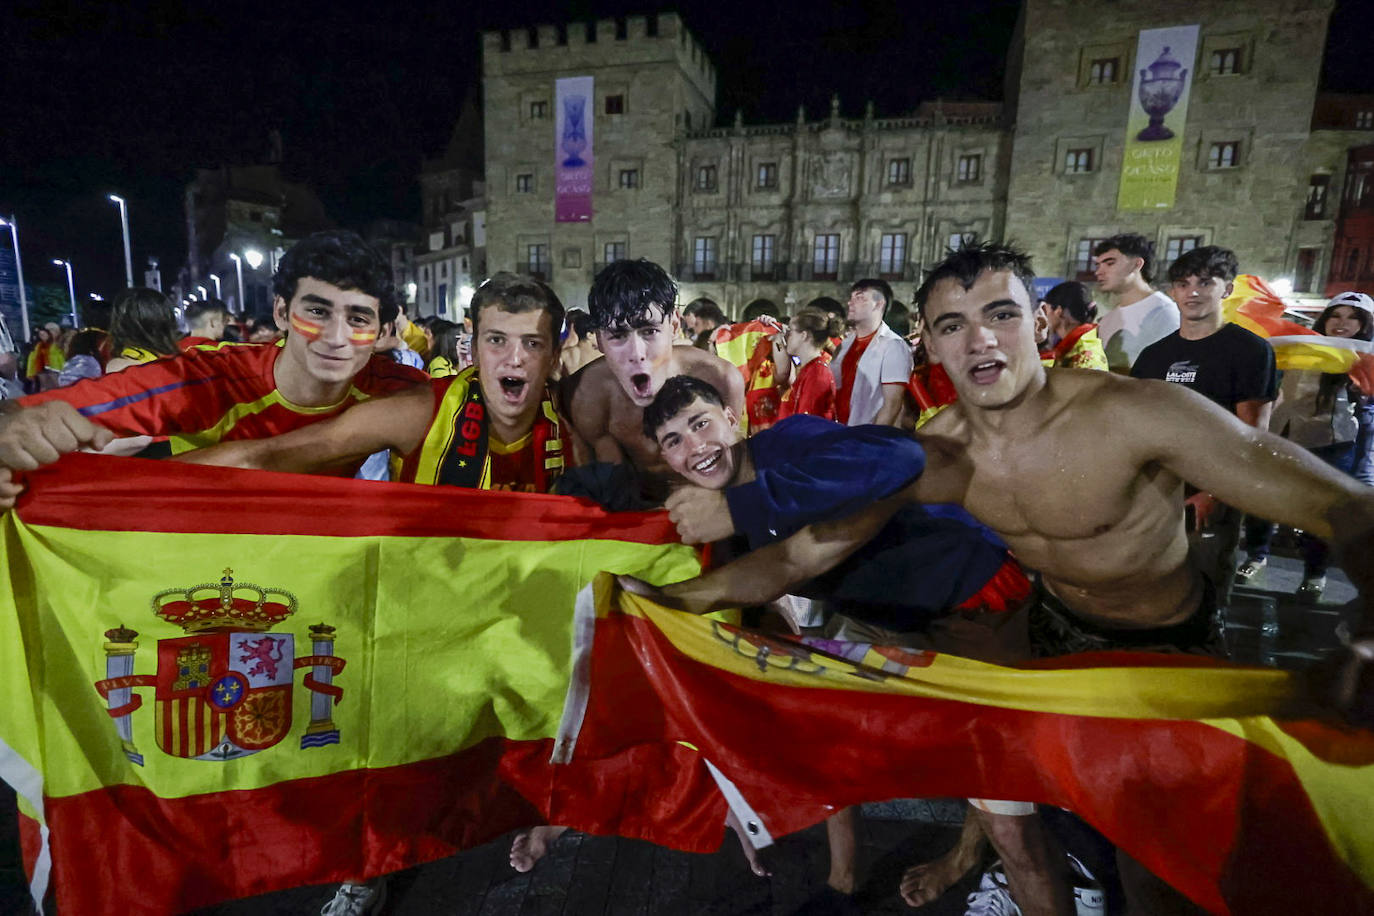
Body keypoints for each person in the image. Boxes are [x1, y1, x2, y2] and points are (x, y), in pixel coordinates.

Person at [627, 241, 1374, 915]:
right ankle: (974, 860)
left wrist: (1367, 639)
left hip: (1162, 653)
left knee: (1153, 866)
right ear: (933, 345)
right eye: (953, 325)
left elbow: (1346, 508)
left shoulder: (1141, 414)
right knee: (1018, 816)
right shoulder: (939, 450)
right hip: (1044, 639)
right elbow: (802, 556)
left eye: (1001, 313)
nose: (980, 337)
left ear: (1037, 322)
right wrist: (671, 601)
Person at [0, 229, 429, 507]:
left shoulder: (403, 390)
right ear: (281, 312)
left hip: (317, 567)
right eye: (317, 311)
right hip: (200, 556)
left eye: (357, 319)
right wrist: (12, 432)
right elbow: (34, 414)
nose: (335, 337)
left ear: (379, 332)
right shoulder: (206, 379)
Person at [177, 272, 568, 493]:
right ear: (474, 350)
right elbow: (263, 458)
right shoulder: (420, 412)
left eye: (532, 344)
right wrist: (129, 485)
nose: (513, 358)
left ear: (553, 358)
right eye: (496, 340)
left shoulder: (576, 417)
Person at [1130, 245, 1279, 600]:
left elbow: (1252, 434)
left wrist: (1214, 493)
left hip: (1212, 491)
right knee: (1150, 591)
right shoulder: (1154, 356)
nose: (1192, 292)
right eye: (1183, 284)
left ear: (1226, 289)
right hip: (1155, 492)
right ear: (1173, 291)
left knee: (1203, 588)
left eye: (1205, 282)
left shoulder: (1250, 351)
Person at [561, 259, 743, 503]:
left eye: (649, 331)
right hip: (635, 519)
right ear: (600, 341)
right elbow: (606, 493)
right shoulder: (588, 394)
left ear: (674, 326)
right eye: (618, 335)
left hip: (707, 512)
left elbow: (734, 472)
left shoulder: (720, 379)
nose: (636, 353)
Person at [1251, 293, 1374, 599]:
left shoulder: (1365, 356)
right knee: (1261, 501)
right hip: (1282, 432)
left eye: (1353, 317)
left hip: (1331, 442)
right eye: (1336, 315)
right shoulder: (1300, 342)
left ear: (1365, 325)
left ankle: (1315, 573)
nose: (1342, 323)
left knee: (1321, 513)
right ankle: (1256, 556)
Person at [1092, 233, 1179, 373]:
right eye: (1098, 265)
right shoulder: (1107, 319)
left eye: (1110, 263)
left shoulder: (1165, 313)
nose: (1099, 272)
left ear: (1137, 264)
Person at [832, 278, 912, 427]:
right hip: (839, 431)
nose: (850, 303)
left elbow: (892, 404)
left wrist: (871, 439)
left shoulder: (893, 346)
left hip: (866, 435)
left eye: (860, 297)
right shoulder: (846, 344)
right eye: (851, 297)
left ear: (878, 304)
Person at [775, 306, 843, 421]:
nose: (787, 337)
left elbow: (806, 427)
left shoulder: (817, 374)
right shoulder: (809, 368)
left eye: (790, 332)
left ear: (803, 336)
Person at [1039, 281, 1107, 370]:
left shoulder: (1085, 359)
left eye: (1045, 310)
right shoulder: (1072, 347)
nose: (1043, 316)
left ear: (1058, 311)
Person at [557, 309, 600, 377]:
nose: (600, 338)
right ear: (589, 335)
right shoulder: (600, 355)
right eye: (597, 334)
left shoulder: (563, 354)